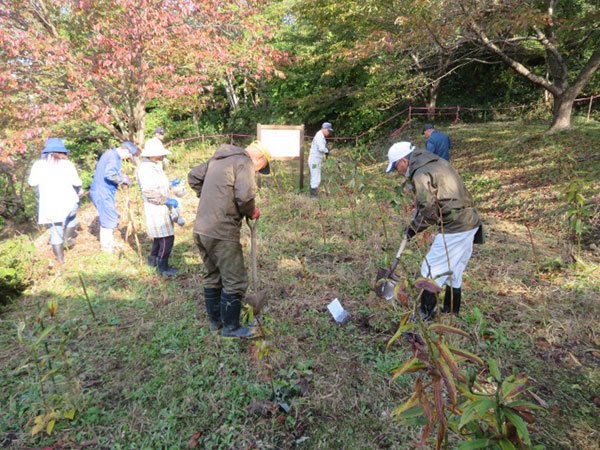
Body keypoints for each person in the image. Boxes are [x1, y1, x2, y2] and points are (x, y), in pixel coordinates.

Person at [385, 141, 483, 320]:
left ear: (403, 162)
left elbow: (428, 210)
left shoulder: (420, 173)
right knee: (454, 269)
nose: (397, 172)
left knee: (431, 269)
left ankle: (426, 314)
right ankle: (451, 311)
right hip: (469, 219)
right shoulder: (437, 162)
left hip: (456, 225)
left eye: (395, 167)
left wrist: (413, 230)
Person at [188, 140, 270, 338]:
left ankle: (215, 321)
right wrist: (251, 212)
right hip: (221, 231)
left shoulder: (218, 159)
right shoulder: (244, 163)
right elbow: (245, 196)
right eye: (261, 168)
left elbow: (193, 177)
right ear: (258, 159)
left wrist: (211, 198)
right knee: (235, 280)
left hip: (201, 228)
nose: (257, 172)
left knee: (213, 275)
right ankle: (231, 328)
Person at [28, 138, 82, 264]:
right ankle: (67, 239)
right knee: (71, 217)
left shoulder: (38, 165)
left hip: (49, 204)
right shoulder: (67, 164)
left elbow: (32, 182)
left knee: (55, 230)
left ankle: (60, 260)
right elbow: (77, 182)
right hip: (68, 200)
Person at [136, 139, 180, 276]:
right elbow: (149, 191)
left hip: (161, 206)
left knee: (159, 237)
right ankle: (163, 267)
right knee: (167, 237)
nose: (163, 156)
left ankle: (153, 260)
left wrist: (170, 184)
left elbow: (158, 184)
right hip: (155, 207)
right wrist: (167, 200)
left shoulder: (155, 165)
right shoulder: (145, 169)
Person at [89, 141, 137, 253]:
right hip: (102, 192)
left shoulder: (110, 154)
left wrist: (122, 176)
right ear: (125, 150)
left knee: (109, 215)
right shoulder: (113, 157)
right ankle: (107, 247)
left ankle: (109, 243)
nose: (128, 158)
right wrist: (122, 179)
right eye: (129, 155)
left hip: (104, 191)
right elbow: (109, 175)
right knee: (109, 217)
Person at [308, 122, 333, 198]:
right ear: (323, 128)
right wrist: (327, 151)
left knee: (317, 175)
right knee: (315, 175)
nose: (328, 132)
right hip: (314, 160)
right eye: (328, 130)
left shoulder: (321, 135)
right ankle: (313, 195)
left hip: (317, 159)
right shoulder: (319, 136)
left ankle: (314, 192)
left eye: (329, 131)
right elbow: (321, 148)